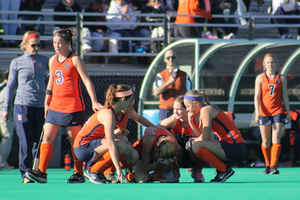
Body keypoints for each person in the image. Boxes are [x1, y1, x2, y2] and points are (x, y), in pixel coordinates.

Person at [25, 29, 102, 184]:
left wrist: (94, 101)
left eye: (60, 43)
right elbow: (52, 82)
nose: (57, 46)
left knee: (75, 140)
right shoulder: (52, 60)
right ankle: (41, 172)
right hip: (55, 106)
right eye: (54, 43)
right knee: (47, 137)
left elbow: (87, 81)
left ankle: (78, 173)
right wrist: (47, 102)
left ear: (68, 43)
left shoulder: (75, 60)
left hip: (73, 106)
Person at [2, 31, 49, 183]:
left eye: (39, 45)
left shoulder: (45, 60)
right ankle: (25, 173)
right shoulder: (17, 62)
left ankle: (36, 171)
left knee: (38, 141)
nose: (36, 48)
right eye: (33, 45)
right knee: (25, 141)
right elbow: (10, 86)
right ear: (25, 45)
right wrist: (6, 108)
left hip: (40, 106)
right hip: (22, 105)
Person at [73, 84, 142, 184]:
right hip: (83, 148)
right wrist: (119, 169)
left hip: (96, 145)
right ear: (123, 99)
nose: (131, 104)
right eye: (129, 100)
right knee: (120, 144)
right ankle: (93, 171)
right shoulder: (108, 114)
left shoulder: (116, 112)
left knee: (133, 155)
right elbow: (111, 143)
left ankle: (104, 171)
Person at [184, 90, 245, 183]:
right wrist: (191, 122)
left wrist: (194, 141)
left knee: (196, 146)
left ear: (196, 103)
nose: (187, 110)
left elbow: (205, 137)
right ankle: (222, 170)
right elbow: (206, 139)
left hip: (234, 146)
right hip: (232, 146)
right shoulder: (203, 112)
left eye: (187, 106)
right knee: (197, 145)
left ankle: (224, 170)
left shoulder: (206, 110)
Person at [254, 53, 290, 174]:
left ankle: (274, 165)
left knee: (276, 138)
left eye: (272, 62)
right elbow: (257, 96)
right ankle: (267, 164)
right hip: (264, 111)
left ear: (276, 64)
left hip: (278, 111)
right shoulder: (260, 78)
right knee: (265, 140)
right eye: (268, 62)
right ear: (264, 64)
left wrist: (288, 113)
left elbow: (285, 96)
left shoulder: (282, 78)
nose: (270, 65)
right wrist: (257, 112)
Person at [160, 95, 206, 182]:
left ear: (187, 109)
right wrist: (168, 136)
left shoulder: (198, 119)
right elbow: (155, 128)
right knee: (169, 145)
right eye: (174, 109)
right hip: (179, 156)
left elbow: (206, 138)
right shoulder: (173, 119)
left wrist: (191, 123)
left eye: (179, 109)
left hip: (194, 156)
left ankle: (197, 171)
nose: (175, 112)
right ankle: (175, 171)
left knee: (203, 146)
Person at [153, 50, 192, 122]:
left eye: (173, 57)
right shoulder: (161, 75)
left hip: (181, 111)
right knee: (165, 132)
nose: (171, 59)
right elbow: (156, 92)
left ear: (176, 59)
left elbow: (189, 94)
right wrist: (168, 82)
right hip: (166, 111)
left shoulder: (184, 75)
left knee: (180, 132)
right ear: (165, 60)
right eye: (168, 58)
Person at [0, 69, 15, 169]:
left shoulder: (1, 86)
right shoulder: (9, 89)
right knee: (7, 137)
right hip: (5, 115)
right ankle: (2, 163)